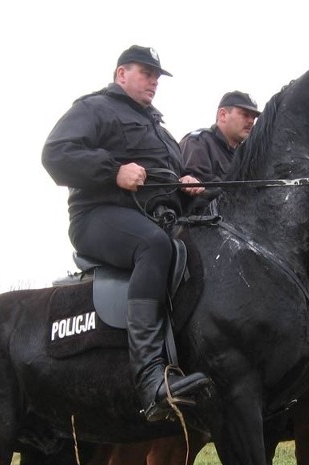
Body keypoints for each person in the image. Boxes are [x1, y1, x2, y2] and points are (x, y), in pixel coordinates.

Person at [42, 45, 210, 422]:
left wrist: (185, 185)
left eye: (156, 76)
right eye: (146, 73)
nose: (153, 81)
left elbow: (165, 182)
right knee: (154, 246)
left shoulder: (161, 130)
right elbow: (55, 153)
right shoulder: (94, 108)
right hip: (97, 216)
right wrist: (113, 170)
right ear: (121, 74)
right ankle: (151, 376)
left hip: (152, 217)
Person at [180, 90, 260, 182]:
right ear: (223, 115)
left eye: (253, 118)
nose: (251, 121)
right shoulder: (198, 143)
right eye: (245, 115)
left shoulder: (246, 154)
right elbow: (199, 189)